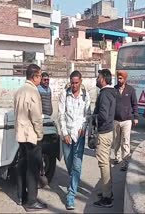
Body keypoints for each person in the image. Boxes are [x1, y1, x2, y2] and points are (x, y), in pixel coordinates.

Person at [14, 64, 47, 212]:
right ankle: (31, 201)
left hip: (20, 135)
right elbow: (36, 118)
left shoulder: (19, 91)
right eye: (40, 76)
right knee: (33, 169)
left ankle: (21, 196)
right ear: (34, 77)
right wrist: (40, 134)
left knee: (22, 166)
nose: (41, 78)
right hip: (31, 135)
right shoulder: (32, 92)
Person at [58, 70, 91, 210]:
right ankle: (73, 181)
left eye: (77, 83)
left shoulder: (85, 96)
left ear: (81, 81)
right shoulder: (64, 95)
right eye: (72, 83)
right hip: (67, 136)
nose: (74, 85)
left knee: (77, 166)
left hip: (79, 137)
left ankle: (71, 195)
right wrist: (65, 133)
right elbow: (60, 115)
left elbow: (88, 115)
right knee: (69, 164)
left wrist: (84, 128)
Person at [93, 69, 116, 208]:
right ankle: (108, 191)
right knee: (106, 162)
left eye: (98, 77)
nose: (97, 79)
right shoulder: (111, 93)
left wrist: (92, 118)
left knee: (103, 164)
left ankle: (107, 197)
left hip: (104, 132)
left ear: (103, 79)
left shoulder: (105, 94)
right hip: (108, 131)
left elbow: (103, 115)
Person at [113, 70, 138, 171]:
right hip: (115, 120)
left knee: (125, 141)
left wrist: (135, 117)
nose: (119, 80)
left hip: (127, 120)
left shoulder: (130, 90)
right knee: (116, 141)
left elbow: (135, 104)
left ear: (125, 79)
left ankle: (125, 162)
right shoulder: (114, 89)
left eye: (121, 78)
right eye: (118, 78)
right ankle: (117, 157)